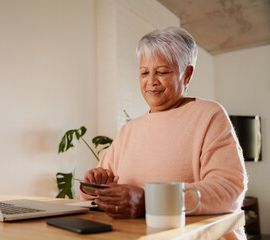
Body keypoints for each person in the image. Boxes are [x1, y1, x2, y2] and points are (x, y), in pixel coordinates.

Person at [81, 27, 247, 239]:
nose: (151, 81)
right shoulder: (129, 130)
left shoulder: (209, 115)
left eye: (162, 72)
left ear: (186, 74)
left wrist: (149, 201)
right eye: (144, 73)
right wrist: (95, 185)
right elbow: (94, 193)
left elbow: (229, 190)